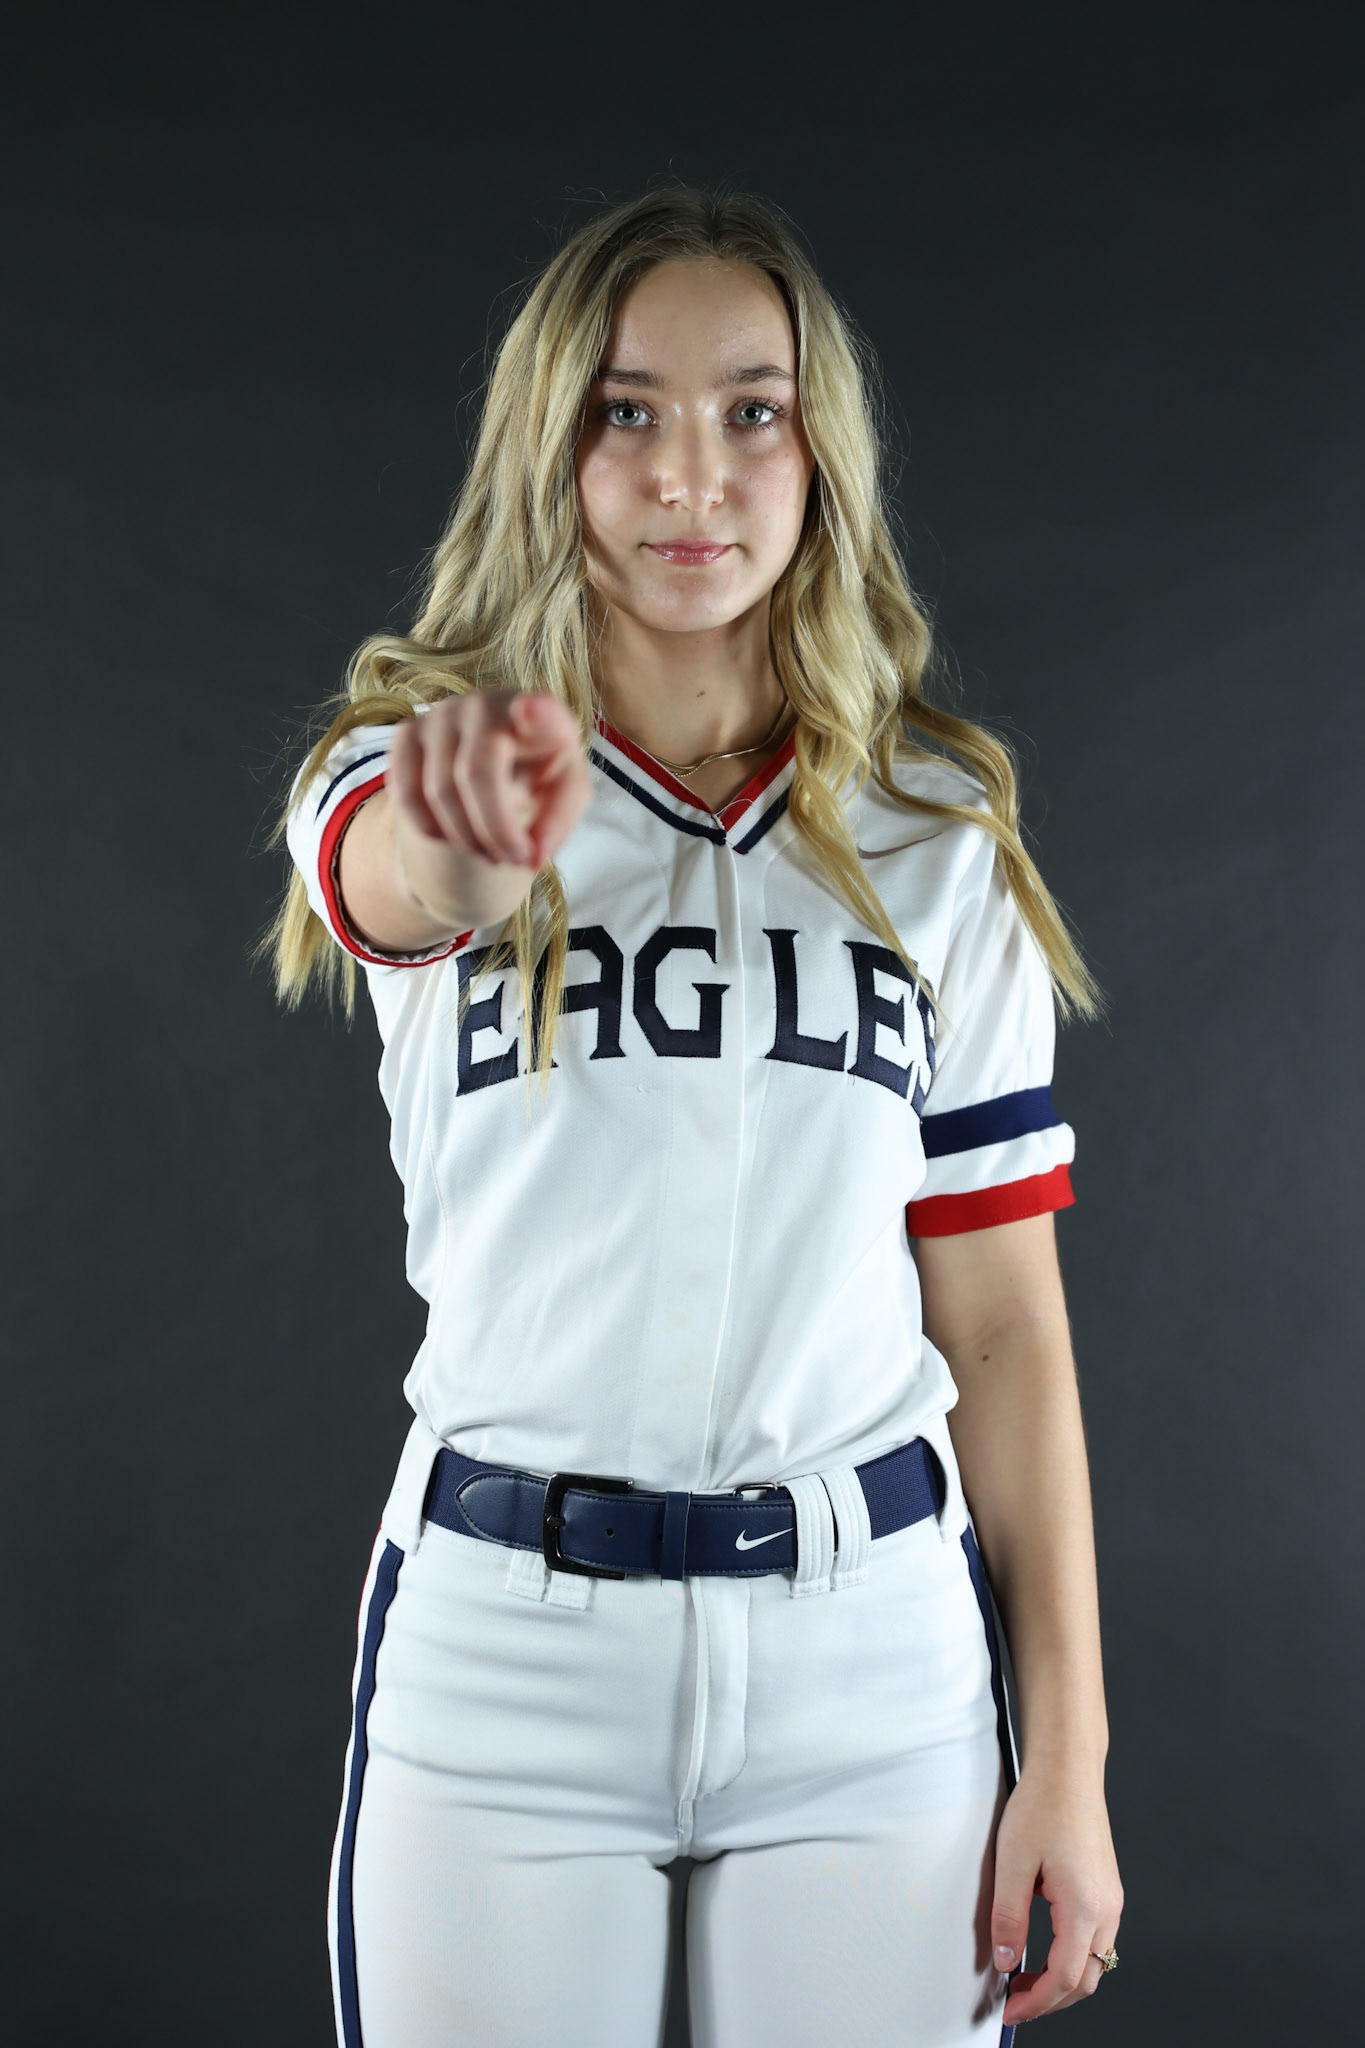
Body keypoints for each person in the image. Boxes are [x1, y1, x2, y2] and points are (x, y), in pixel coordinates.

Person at [260, 183, 1123, 2048]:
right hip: (506, 1647)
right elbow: (395, 882)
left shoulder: (934, 835)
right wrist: (474, 820)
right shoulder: (414, 755)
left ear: (821, 456)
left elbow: (1001, 1323)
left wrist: (1069, 1761)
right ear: (550, 447)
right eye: (626, 410)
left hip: (866, 1657)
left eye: (752, 408)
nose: (691, 474)